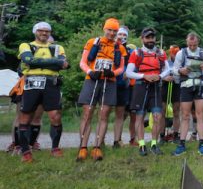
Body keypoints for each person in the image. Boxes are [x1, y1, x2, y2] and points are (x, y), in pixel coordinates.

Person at [16, 22, 69, 162]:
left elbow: (64, 64)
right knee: (25, 118)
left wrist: (38, 62)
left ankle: (55, 148)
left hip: (51, 83)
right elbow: (28, 60)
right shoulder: (26, 45)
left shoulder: (57, 47)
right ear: (35, 32)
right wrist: (54, 62)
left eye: (47, 31)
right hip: (31, 83)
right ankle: (26, 152)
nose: (44, 33)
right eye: (41, 31)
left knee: (55, 116)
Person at [76, 18, 127, 161]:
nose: (112, 33)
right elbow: (83, 62)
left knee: (104, 113)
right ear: (104, 29)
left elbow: (122, 67)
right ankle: (83, 147)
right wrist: (90, 72)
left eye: (115, 31)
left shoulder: (120, 47)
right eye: (109, 30)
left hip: (109, 82)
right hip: (92, 80)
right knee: (88, 112)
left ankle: (97, 147)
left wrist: (114, 73)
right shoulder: (93, 42)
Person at [126, 27, 170, 156]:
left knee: (157, 116)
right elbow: (128, 72)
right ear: (142, 39)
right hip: (141, 86)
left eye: (152, 37)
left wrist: (160, 76)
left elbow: (168, 69)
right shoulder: (136, 53)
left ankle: (154, 144)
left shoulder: (161, 53)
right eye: (147, 37)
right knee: (139, 116)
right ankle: (141, 145)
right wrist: (143, 76)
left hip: (156, 86)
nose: (150, 40)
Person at [172, 32, 203, 156]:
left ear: (198, 43)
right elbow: (174, 70)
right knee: (185, 115)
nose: (192, 47)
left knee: (200, 115)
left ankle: (201, 144)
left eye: (194, 45)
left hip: (200, 85)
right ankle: (181, 144)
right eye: (190, 45)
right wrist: (181, 70)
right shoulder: (181, 53)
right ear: (186, 43)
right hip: (186, 86)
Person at [113, 26, 134, 148]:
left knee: (120, 113)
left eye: (124, 35)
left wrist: (128, 74)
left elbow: (133, 66)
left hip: (124, 85)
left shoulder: (130, 51)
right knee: (104, 112)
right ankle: (101, 140)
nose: (121, 37)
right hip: (109, 82)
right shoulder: (110, 47)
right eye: (119, 34)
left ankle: (117, 140)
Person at [161, 45, 181, 144]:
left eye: (177, 53)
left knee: (176, 111)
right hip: (165, 86)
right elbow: (159, 73)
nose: (176, 55)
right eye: (174, 53)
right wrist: (164, 78)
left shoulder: (181, 61)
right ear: (171, 53)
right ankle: (161, 135)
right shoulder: (165, 61)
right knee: (162, 111)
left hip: (177, 86)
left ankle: (176, 135)